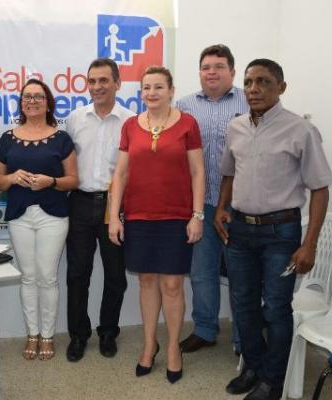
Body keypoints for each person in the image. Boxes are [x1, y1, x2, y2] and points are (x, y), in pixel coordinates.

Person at [216, 59, 332, 400]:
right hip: (240, 230)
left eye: (264, 82)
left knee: (276, 309)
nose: (254, 89)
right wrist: (222, 207)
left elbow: (320, 188)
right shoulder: (235, 126)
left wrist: (309, 244)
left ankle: (272, 380)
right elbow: (228, 172)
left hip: (280, 233)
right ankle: (253, 366)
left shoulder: (301, 130)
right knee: (244, 303)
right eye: (249, 82)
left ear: (281, 88)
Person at [108, 66, 205, 384]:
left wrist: (197, 214)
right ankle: (150, 344)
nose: (151, 93)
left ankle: (174, 348)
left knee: (173, 286)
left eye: (158, 87)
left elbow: (197, 173)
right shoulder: (130, 126)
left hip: (176, 217)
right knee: (147, 281)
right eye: (146, 87)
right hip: (138, 217)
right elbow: (120, 174)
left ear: (171, 90)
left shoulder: (188, 124)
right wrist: (114, 216)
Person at [0, 78, 79, 361]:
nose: (32, 101)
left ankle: (48, 335)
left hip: (53, 217)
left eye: (38, 97)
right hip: (19, 217)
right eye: (27, 97)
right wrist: (12, 177)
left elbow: (73, 180)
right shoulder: (7, 138)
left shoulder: (61, 138)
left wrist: (50, 181)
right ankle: (32, 333)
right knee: (28, 277)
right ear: (21, 102)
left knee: (48, 276)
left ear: (48, 102)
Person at [176, 44, 248, 354]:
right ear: (200, 72)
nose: (212, 71)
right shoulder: (184, 105)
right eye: (206, 66)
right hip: (200, 204)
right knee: (202, 271)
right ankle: (205, 329)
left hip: (241, 204)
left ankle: (243, 338)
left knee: (241, 273)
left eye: (219, 66)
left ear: (232, 71)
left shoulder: (251, 100)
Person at [64, 58, 135, 362]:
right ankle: (79, 336)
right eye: (91, 81)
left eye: (103, 81)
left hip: (114, 206)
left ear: (117, 83)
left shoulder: (132, 122)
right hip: (79, 203)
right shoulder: (74, 119)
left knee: (116, 276)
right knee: (78, 274)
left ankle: (108, 332)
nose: (96, 87)